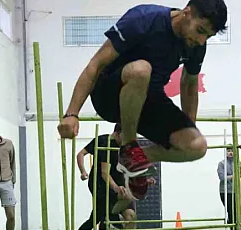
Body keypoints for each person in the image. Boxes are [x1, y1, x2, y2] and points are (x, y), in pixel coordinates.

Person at [57, 1, 228, 201]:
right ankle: (129, 145)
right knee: (141, 70)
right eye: (200, 30)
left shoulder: (196, 44)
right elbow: (96, 64)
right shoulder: (143, 19)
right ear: (186, 13)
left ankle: (135, 158)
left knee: (196, 146)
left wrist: (189, 126)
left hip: (148, 98)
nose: (201, 40)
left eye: (208, 36)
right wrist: (72, 113)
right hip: (108, 94)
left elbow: (189, 83)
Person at [74, 123, 141, 230]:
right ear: (117, 133)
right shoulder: (105, 143)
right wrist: (83, 171)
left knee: (130, 216)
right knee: (97, 218)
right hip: (101, 185)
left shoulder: (125, 146)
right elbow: (104, 173)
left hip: (117, 185)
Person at [217, 148, 241, 230]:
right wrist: (234, 175)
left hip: (236, 191)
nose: (230, 153)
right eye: (228, 151)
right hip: (225, 192)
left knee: (237, 211)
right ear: (226, 152)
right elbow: (222, 178)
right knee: (230, 211)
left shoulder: (238, 163)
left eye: (232, 151)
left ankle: (236, 229)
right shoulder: (221, 164)